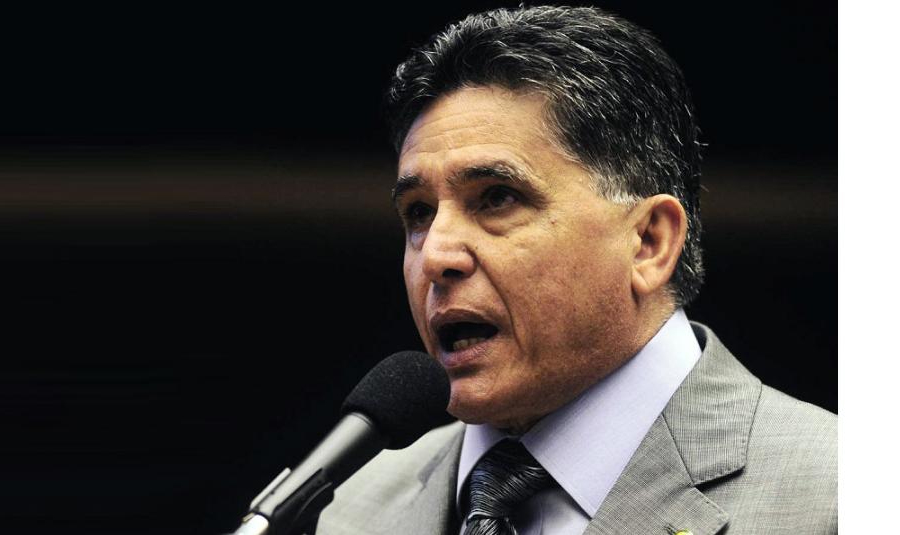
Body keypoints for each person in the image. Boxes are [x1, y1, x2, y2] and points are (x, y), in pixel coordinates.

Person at [317, 5, 836, 534]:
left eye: (497, 198)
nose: (436, 256)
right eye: (419, 213)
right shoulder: (349, 511)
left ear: (649, 242)